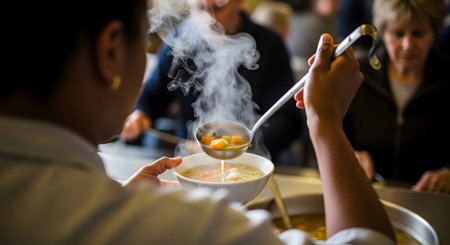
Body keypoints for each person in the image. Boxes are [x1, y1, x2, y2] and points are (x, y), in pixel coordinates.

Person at [1, 0, 397, 243]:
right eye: (144, 35)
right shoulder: (192, 228)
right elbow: (368, 242)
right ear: (110, 51)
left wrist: (121, 193)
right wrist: (326, 122)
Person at [121, 0, 303, 164]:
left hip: (255, 164)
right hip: (191, 161)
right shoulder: (179, 41)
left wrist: (243, 146)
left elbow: (287, 120)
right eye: (200, 9)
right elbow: (151, 100)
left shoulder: (270, 44)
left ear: (240, 2)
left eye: (218, 7)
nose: (209, 19)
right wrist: (140, 116)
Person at [343, 0, 450, 193]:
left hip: (430, 197)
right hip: (364, 191)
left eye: (418, 33)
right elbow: (326, 129)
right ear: (383, 33)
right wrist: (346, 153)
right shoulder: (356, 74)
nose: (408, 45)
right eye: (398, 34)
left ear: (434, 32)